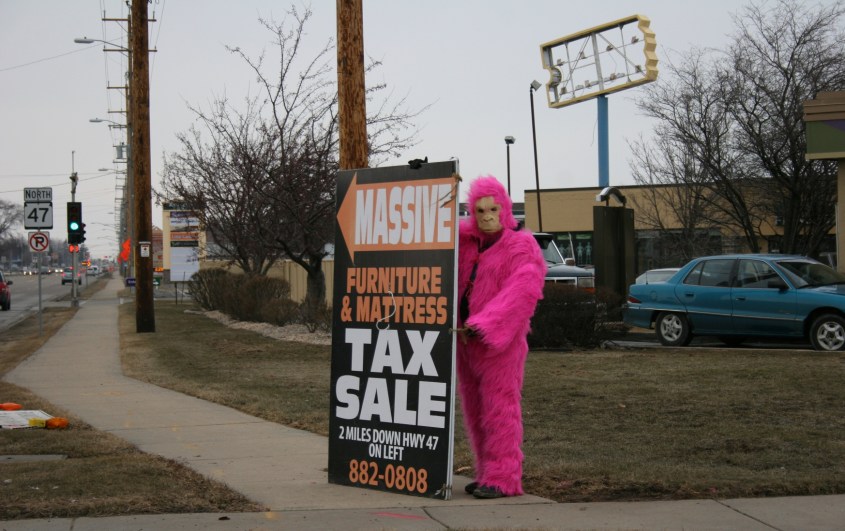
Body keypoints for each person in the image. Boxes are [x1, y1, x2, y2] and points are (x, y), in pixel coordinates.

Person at [456, 175, 547, 499]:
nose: (487, 216)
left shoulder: (521, 246)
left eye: (493, 208)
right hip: (464, 341)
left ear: (505, 208)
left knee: (499, 408)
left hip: (500, 344)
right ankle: (486, 472)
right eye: (480, 211)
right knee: (474, 406)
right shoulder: (464, 243)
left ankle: (504, 477)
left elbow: (525, 288)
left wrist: (487, 323)